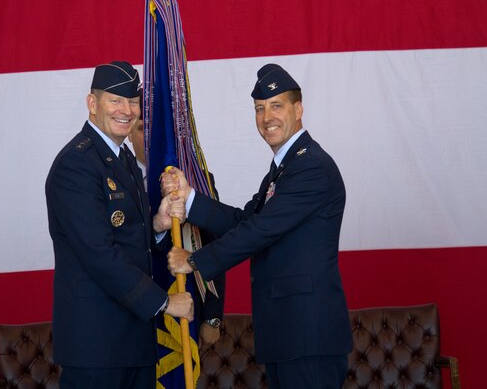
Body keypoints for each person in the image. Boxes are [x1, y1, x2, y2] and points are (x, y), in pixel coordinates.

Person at [163, 64, 352, 388]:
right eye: (259, 109)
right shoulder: (284, 169)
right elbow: (246, 221)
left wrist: (194, 261)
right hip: (287, 335)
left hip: (308, 338)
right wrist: (191, 198)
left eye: (277, 106)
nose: (267, 117)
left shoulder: (312, 167)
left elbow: (259, 232)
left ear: (299, 109)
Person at [45, 61, 194, 389]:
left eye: (132, 101)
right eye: (115, 100)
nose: (126, 110)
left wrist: (157, 223)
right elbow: (99, 253)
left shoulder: (123, 159)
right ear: (92, 104)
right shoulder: (76, 165)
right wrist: (165, 303)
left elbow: (129, 238)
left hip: (133, 340)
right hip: (96, 345)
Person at [128, 114, 225, 348]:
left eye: (156, 131)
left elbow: (214, 247)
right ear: (129, 134)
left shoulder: (195, 181)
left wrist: (212, 317)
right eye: (142, 129)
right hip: (132, 311)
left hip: (187, 309)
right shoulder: (117, 180)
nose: (150, 138)